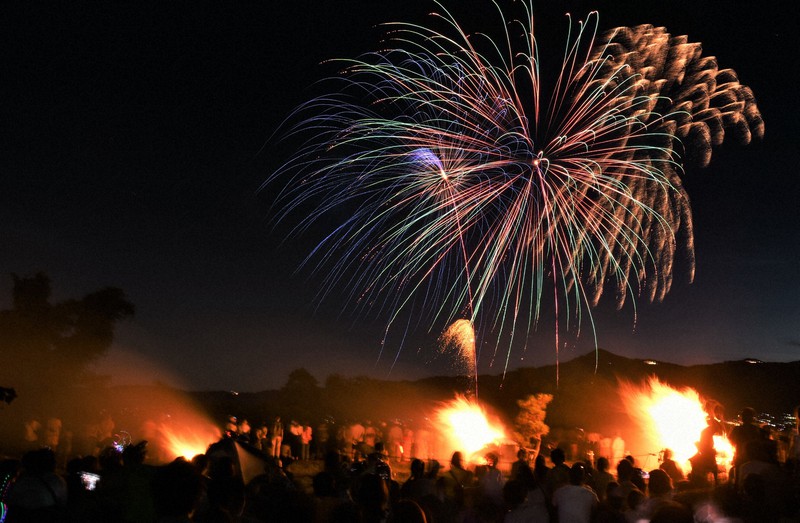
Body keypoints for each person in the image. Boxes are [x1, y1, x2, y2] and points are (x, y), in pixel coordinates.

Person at [729, 407, 762, 485]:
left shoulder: (737, 429)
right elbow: (759, 442)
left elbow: (731, 440)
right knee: (750, 477)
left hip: (740, 456)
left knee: (739, 476)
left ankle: (738, 489)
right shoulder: (756, 430)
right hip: (751, 457)